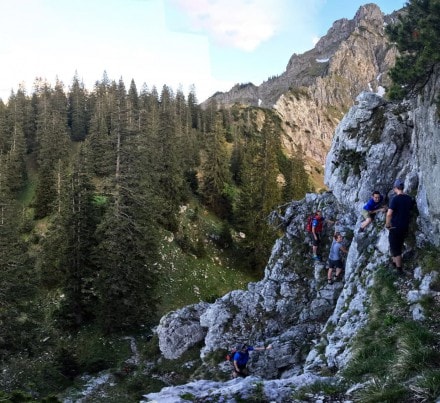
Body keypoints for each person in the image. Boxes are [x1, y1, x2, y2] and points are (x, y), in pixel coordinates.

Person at [385, 179, 414, 275]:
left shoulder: (395, 199)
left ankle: (399, 270)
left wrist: (387, 224)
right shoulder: (409, 198)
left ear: (395, 188)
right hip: (404, 226)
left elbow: (389, 214)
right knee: (397, 245)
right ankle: (394, 263)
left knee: (395, 248)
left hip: (395, 227)